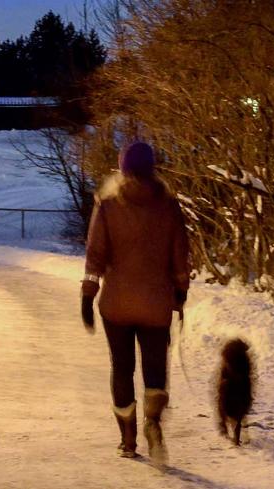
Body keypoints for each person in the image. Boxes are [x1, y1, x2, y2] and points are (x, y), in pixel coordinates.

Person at [81, 142, 190, 465]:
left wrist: (88, 294)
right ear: (153, 168)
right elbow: (180, 255)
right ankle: (153, 423)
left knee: (122, 368)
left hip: (116, 304)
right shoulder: (168, 207)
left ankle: (127, 439)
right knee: (155, 369)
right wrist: (180, 290)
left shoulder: (109, 206)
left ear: (123, 169)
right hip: (156, 304)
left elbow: (95, 254)